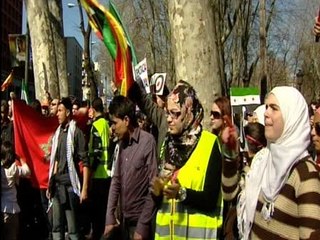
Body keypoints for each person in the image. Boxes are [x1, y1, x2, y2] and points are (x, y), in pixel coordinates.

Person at [221, 86, 320, 239]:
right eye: (267, 107)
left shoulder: (305, 174)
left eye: (274, 108)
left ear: (291, 118)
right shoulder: (262, 160)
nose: (266, 113)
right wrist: (229, 153)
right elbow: (229, 194)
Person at [151, 80, 224, 239]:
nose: (169, 119)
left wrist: (182, 194)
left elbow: (211, 199)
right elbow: (162, 203)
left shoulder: (209, 143)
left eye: (175, 113)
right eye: (167, 113)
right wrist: (156, 193)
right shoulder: (167, 145)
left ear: (189, 113)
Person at [104, 95, 158, 240]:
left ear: (126, 120)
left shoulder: (147, 142)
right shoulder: (121, 144)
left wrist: (142, 226)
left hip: (141, 225)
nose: (112, 128)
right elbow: (116, 181)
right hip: (123, 224)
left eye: (115, 123)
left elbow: (154, 188)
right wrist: (109, 217)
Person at [47, 97, 90, 240]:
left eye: (60, 111)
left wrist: (84, 189)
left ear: (68, 112)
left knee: (72, 228)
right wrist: (50, 183)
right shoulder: (57, 134)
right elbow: (56, 160)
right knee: (56, 225)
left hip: (70, 186)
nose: (57, 114)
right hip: (57, 185)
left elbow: (85, 162)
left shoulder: (76, 133)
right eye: (57, 111)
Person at [88, 97, 111, 240]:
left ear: (93, 109)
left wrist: (90, 172)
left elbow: (96, 153)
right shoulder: (108, 124)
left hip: (98, 175)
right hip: (108, 174)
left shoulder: (96, 126)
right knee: (104, 213)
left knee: (97, 215)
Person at [1, 141, 31, 240]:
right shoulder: (14, 169)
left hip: (2, 207)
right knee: (12, 236)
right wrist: (20, 159)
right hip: (12, 208)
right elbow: (27, 172)